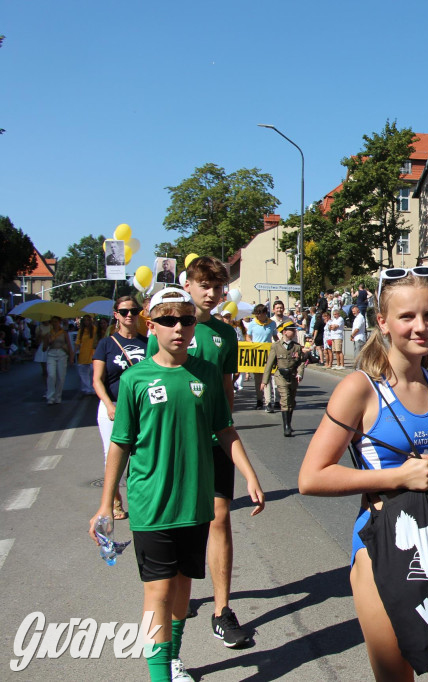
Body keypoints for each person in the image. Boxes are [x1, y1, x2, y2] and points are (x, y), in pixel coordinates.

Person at [298, 270, 428, 681]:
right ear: (382, 321)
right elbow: (311, 477)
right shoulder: (359, 388)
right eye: (406, 317)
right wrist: (397, 478)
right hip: (381, 546)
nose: (421, 327)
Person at [89, 287, 265, 682]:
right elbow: (120, 444)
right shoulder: (136, 379)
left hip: (195, 502)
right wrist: (107, 503)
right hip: (151, 503)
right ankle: (159, 676)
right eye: (168, 321)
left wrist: (250, 475)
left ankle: (172, 658)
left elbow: (225, 429)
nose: (179, 328)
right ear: (151, 327)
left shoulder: (204, 374)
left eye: (186, 320)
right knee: (158, 594)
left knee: (183, 597)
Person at [148, 259, 250, 648]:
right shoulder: (167, 326)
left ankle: (221, 611)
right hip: (178, 443)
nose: (211, 293)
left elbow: (226, 389)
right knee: (178, 525)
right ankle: (176, 595)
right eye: (203, 284)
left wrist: (229, 433)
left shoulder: (226, 334)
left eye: (218, 286)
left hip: (214, 442)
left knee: (219, 517)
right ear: (187, 284)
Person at [92, 297, 147, 520]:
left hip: (141, 407)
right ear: (116, 314)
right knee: (112, 457)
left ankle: (141, 499)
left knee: (141, 455)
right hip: (113, 406)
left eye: (134, 311)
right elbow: (97, 380)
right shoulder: (106, 344)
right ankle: (114, 501)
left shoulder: (147, 343)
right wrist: (108, 405)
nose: (129, 315)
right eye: (124, 311)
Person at [263, 320, 305, 437]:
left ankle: (289, 423)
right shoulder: (276, 346)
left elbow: (301, 362)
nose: (294, 332)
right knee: (285, 399)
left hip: (292, 377)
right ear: (285, 332)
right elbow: (269, 364)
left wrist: (300, 373)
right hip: (280, 376)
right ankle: (286, 426)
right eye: (291, 330)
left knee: (291, 401)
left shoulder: (296, 347)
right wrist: (264, 381)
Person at [246, 304, 277, 411]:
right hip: (256, 354)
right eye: (256, 315)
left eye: (259, 314)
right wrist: (252, 344)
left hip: (268, 354)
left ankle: (268, 402)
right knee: (258, 379)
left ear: (264, 313)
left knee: (267, 377)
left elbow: (275, 337)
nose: (257, 317)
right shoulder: (252, 324)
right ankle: (259, 399)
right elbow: (248, 336)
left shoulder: (272, 324)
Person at [43, 316, 74, 405]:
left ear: (59, 322)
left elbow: (68, 345)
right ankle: (50, 397)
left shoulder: (64, 333)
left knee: (61, 376)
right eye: (53, 322)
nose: (54, 323)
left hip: (62, 354)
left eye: (56, 322)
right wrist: (48, 341)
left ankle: (58, 396)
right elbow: (44, 348)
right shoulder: (49, 333)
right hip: (51, 354)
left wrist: (71, 357)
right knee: (51, 375)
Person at [74, 315, 98, 395]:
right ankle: (86, 388)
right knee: (83, 372)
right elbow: (77, 342)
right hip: (83, 353)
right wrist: (73, 353)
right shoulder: (81, 331)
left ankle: (93, 387)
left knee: (92, 371)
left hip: (92, 353)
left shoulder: (94, 329)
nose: (86, 322)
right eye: (85, 320)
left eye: (88, 320)